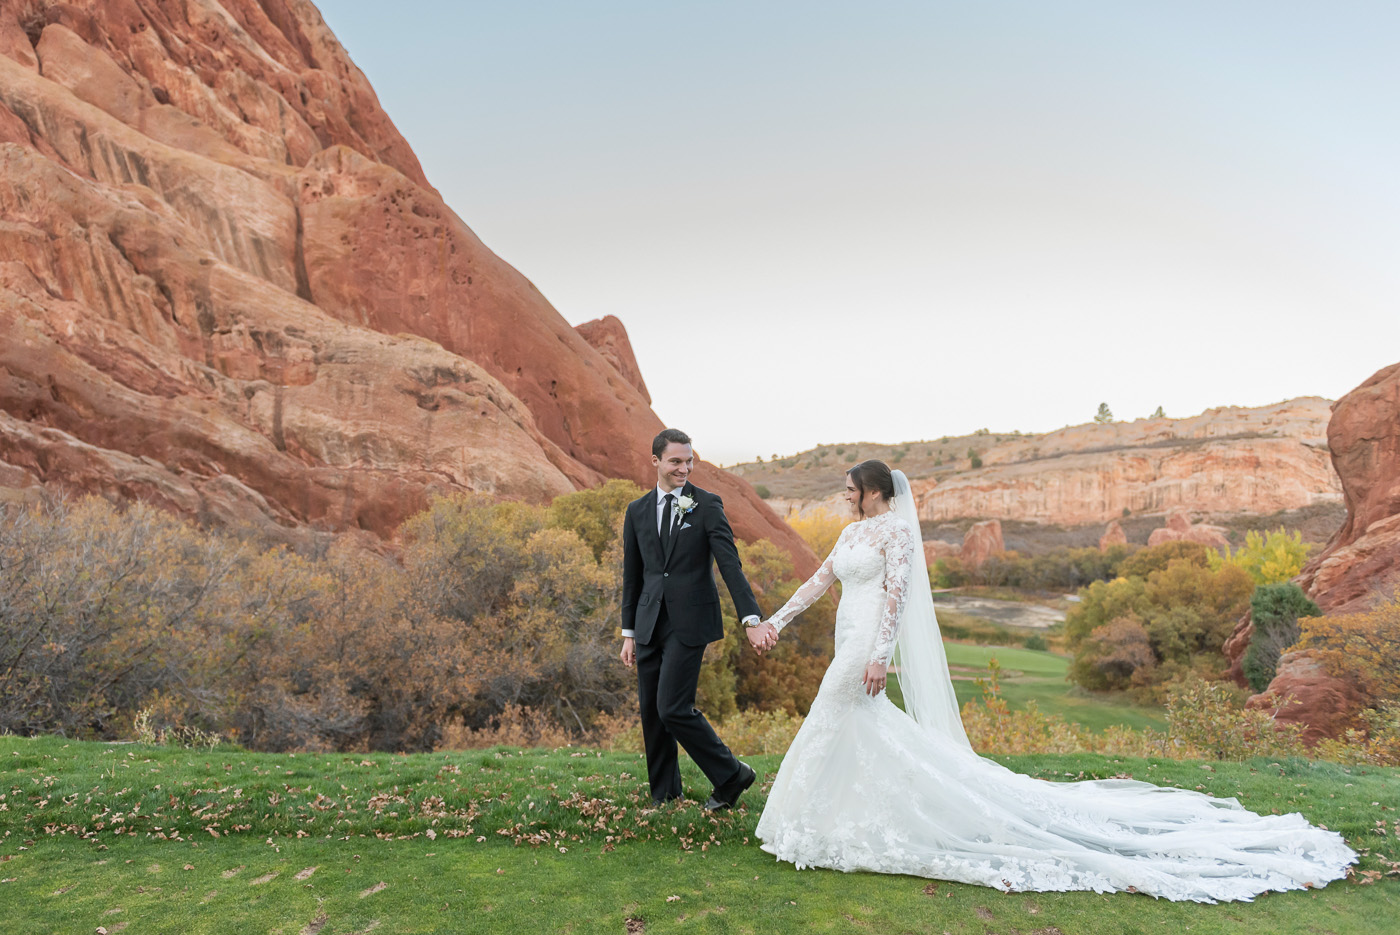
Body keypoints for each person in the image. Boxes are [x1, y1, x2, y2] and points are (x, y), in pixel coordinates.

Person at [752, 459, 1356, 902]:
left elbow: (898, 596)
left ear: (875, 492)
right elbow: (819, 582)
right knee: (861, 725)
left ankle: (820, 822)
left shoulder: (897, 533)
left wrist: (882, 654)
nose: (846, 495)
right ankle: (840, 815)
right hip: (843, 630)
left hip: (864, 644)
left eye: (852, 489)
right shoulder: (852, 532)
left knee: (837, 715)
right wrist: (775, 620)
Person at [620, 429, 778, 810]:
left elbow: (730, 565)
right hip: (647, 622)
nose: (684, 468)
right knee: (652, 712)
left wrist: (751, 618)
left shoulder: (706, 504)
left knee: (672, 707)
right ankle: (664, 797)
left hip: (690, 622)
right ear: (655, 461)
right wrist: (628, 632)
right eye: (676, 461)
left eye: (689, 460)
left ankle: (731, 774)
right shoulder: (637, 510)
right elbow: (633, 575)